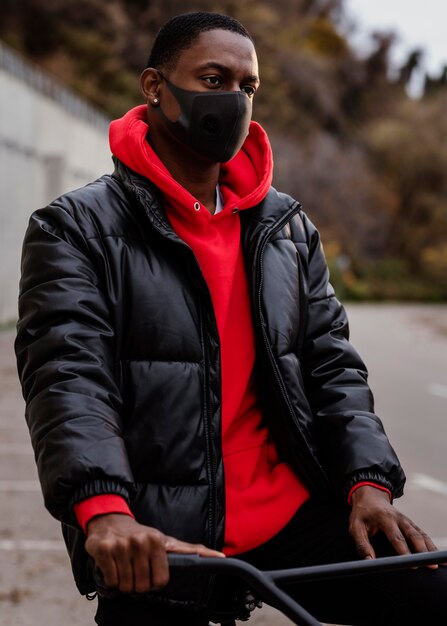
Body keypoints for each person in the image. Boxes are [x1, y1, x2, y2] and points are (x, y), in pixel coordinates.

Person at [15, 11, 447, 626]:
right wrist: (104, 510)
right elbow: (68, 377)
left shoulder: (286, 229)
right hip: (161, 535)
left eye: (248, 87)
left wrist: (367, 484)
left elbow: (333, 366)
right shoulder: (75, 229)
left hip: (292, 516)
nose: (234, 100)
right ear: (153, 86)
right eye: (213, 79)